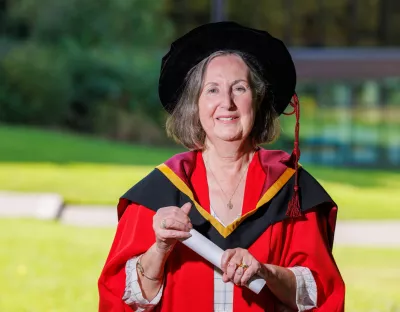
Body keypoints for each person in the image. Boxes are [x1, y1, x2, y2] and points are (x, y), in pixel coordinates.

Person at [98, 21, 345, 312]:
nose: (226, 103)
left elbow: (320, 294)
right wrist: (160, 248)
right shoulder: (161, 191)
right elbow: (123, 299)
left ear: (258, 100)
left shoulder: (290, 190)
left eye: (239, 88)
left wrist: (266, 273)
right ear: (196, 104)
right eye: (212, 90)